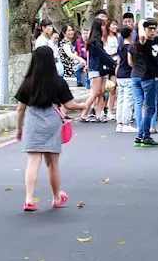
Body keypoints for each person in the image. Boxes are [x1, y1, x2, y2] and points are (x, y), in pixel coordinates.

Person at [15, 45, 84, 211]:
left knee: (33, 161)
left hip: (33, 122)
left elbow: (20, 108)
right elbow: (69, 104)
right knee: (52, 163)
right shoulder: (58, 81)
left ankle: (29, 199)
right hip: (52, 123)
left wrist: (19, 129)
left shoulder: (28, 82)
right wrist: (83, 106)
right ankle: (56, 197)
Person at [132, 19, 158, 147]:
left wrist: (154, 28)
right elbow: (142, 36)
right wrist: (142, 25)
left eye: (154, 29)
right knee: (150, 108)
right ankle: (145, 136)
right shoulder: (141, 42)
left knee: (148, 107)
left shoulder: (155, 40)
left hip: (152, 76)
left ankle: (140, 135)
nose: (152, 31)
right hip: (146, 77)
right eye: (150, 29)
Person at [82, 18, 116, 122]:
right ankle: (84, 114)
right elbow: (102, 54)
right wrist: (112, 62)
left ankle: (98, 115)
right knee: (96, 92)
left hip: (101, 69)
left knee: (101, 92)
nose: (104, 27)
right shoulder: (94, 42)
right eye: (102, 25)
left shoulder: (97, 41)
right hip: (96, 69)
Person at [114, 25, 136, 132]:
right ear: (130, 34)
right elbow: (130, 62)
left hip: (120, 74)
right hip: (128, 74)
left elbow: (118, 62)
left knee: (120, 99)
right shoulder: (130, 47)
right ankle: (126, 123)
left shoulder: (120, 47)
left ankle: (119, 123)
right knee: (128, 99)